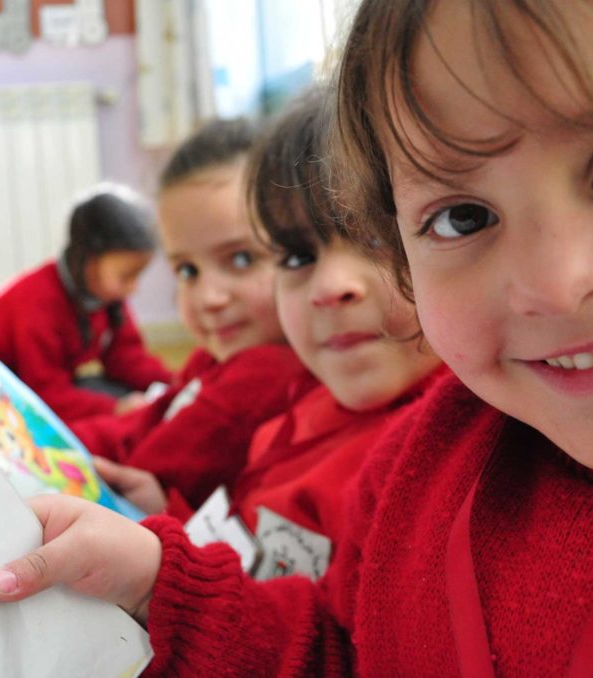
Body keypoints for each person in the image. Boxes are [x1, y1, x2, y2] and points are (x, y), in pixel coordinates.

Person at [0, 0, 593, 674]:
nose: (553, 285)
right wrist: (161, 586)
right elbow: (349, 652)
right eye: (462, 217)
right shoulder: (424, 462)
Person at [92, 90, 443, 583]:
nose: (329, 287)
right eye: (297, 257)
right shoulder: (305, 401)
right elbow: (245, 547)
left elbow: (319, 643)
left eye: (376, 238)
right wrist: (170, 515)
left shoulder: (422, 461)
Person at [71, 118, 314, 512]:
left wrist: (63, 453)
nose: (208, 298)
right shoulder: (219, 357)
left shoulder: (263, 373)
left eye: (241, 258)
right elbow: (149, 419)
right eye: (187, 271)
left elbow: (142, 468)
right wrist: (55, 437)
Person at [0, 184, 172, 422]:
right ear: (89, 260)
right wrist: (116, 408)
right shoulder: (38, 304)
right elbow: (46, 393)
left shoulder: (105, 295)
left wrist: (175, 383)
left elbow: (125, 356)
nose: (133, 288)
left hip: (47, 383)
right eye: (126, 276)